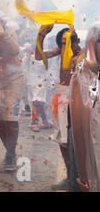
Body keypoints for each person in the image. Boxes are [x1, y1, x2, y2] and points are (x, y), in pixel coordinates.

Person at [35, 25, 84, 191]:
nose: (73, 45)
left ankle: (79, 177)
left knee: (76, 140)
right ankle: (70, 176)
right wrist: (41, 35)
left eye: (73, 41)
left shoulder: (82, 54)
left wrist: (68, 43)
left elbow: (67, 64)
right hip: (61, 97)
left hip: (77, 99)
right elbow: (38, 56)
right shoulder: (61, 50)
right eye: (66, 42)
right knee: (63, 141)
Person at [0, 18, 24, 173]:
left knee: (11, 119)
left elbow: (15, 49)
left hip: (13, 81)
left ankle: (10, 154)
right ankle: (9, 151)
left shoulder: (9, 35)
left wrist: (2, 34)